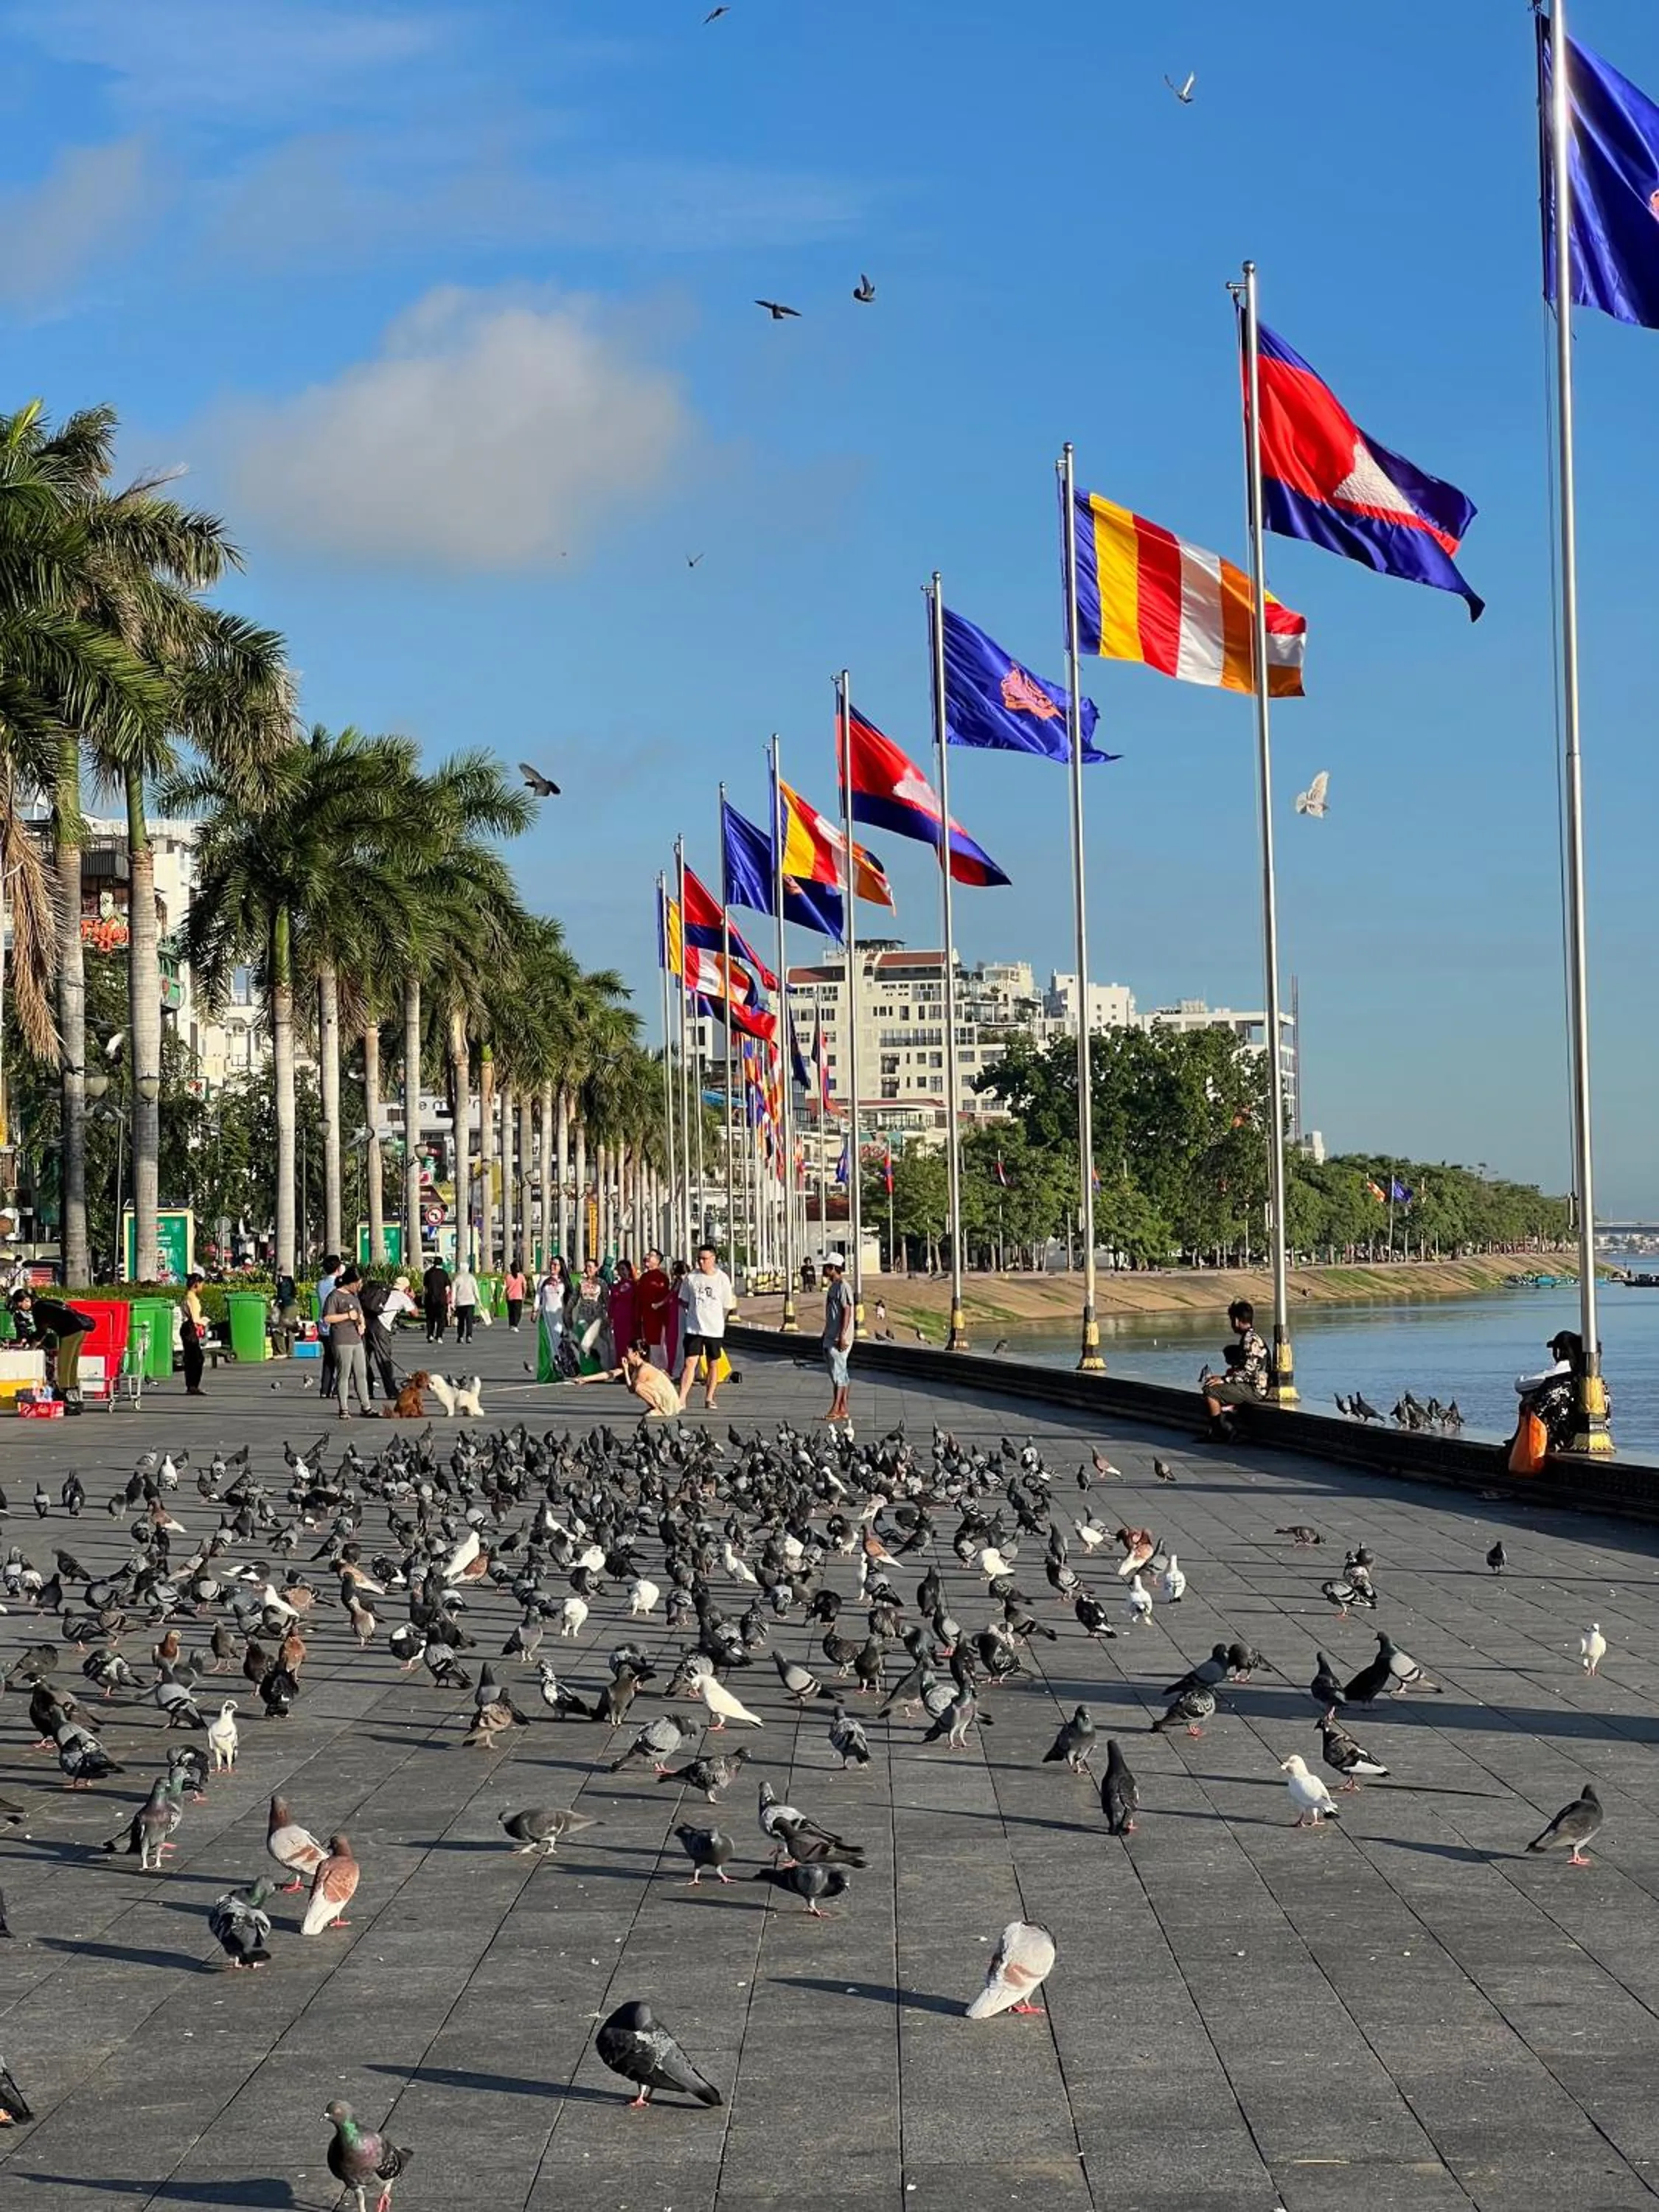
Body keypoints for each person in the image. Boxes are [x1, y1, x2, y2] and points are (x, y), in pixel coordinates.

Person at [10, 1291, 95, 1411]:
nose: (20, 1308)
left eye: (19, 1304)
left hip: (69, 1332)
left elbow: (41, 1332)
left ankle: (66, 1396)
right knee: (72, 1364)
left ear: (26, 1300)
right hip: (80, 1330)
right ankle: (74, 1395)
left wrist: (30, 1347)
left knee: (64, 1365)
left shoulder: (38, 1309)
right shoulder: (44, 1303)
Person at [678, 1242, 737, 1413]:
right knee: (690, 1363)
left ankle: (709, 1397)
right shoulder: (691, 1278)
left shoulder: (722, 1278)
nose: (701, 1262)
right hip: (694, 1328)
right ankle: (682, 1398)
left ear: (713, 1259)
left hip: (714, 1329)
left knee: (713, 1363)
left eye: (704, 1259)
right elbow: (684, 1300)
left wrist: (720, 1320)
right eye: (699, 1259)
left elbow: (727, 1303)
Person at [1200, 1298, 1271, 1437]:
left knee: (1210, 1390)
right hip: (1253, 1386)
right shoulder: (1251, 1337)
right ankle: (1223, 1426)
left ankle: (1219, 1432)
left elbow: (1248, 1372)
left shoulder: (1250, 1340)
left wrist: (1224, 1379)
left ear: (1237, 1320)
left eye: (1232, 1320)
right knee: (1214, 1386)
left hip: (1254, 1389)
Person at [1514, 1329, 1595, 1453]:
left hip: (1562, 1438)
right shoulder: (1594, 1382)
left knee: (1529, 1402)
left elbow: (1521, 1386)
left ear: (1557, 1352)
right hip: (1589, 1435)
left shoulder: (1555, 1381)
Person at [571, 1338, 683, 1420]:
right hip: (661, 1396)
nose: (625, 1354)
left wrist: (626, 1371)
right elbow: (610, 1374)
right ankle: (657, 1407)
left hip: (668, 1401)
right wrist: (585, 1379)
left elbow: (632, 1389)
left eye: (628, 1352)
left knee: (639, 1387)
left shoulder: (644, 1369)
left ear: (635, 1354)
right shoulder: (635, 1367)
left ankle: (661, 1409)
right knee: (639, 1387)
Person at [322, 1264, 373, 1419]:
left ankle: (366, 1406)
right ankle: (343, 1408)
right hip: (341, 1339)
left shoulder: (354, 1297)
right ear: (351, 1282)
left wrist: (362, 1324)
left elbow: (360, 1313)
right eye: (359, 1283)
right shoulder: (334, 1296)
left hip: (356, 1339)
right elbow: (327, 1318)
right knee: (344, 1374)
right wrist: (346, 1316)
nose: (360, 1287)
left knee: (361, 1373)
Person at [361, 1272, 417, 1401]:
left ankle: (368, 1390)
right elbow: (414, 1313)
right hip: (381, 1328)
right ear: (407, 1288)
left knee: (364, 1359)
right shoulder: (402, 1296)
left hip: (367, 1323)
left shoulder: (385, 1292)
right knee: (384, 1360)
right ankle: (391, 1391)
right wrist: (411, 1298)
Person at [821, 1253, 854, 1426]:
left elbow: (846, 1310)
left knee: (839, 1373)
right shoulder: (833, 1286)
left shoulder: (843, 1287)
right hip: (831, 1334)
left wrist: (842, 1335)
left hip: (839, 1337)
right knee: (839, 1372)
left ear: (833, 1268)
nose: (824, 1270)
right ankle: (843, 1407)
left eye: (826, 1266)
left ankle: (837, 1407)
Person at [568, 1259, 613, 1375]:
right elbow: (574, 1299)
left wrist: (609, 1316)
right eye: (587, 1266)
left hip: (597, 1317)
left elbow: (607, 1301)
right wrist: (568, 1311)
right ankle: (587, 1369)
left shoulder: (601, 1283)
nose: (589, 1269)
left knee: (597, 1344)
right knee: (584, 1343)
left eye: (591, 1267)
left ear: (597, 1268)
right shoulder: (580, 1283)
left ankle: (599, 1369)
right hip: (583, 1316)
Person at [536, 1256, 571, 1380]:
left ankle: (562, 1369)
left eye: (556, 1265)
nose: (553, 1267)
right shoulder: (544, 1280)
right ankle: (548, 1373)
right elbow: (538, 1295)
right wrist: (535, 1310)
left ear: (561, 1267)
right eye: (551, 1264)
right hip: (546, 1316)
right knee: (547, 1344)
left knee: (559, 1344)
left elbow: (568, 1300)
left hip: (559, 1317)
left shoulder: (563, 1282)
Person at [636, 1250, 672, 1368]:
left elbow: (665, 1298)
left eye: (651, 1256)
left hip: (658, 1318)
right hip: (645, 1317)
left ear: (658, 1261)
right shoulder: (644, 1277)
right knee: (649, 1343)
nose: (647, 1257)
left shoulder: (662, 1278)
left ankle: (661, 1369)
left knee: (658, 1345)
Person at [315, 1251, 342, 1399]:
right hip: (337, 1325)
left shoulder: (320, 1284)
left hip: (323, 1325)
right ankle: (338, 1389)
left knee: (329, 1359)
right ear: (338, 1268)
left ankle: (325, 1389)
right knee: (342, 1360)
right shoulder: (338, 1284)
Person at [181, 1272, 209, 1397]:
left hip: (187, 1328)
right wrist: (204, 1320)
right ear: (196, 1284)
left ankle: (192, 1385)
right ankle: (193, 1386)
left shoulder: (189, 1296)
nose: (203, 1287)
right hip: (190, 1328)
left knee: (192, 1357)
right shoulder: (192, 1299)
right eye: (202, 1284)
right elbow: (195, 1318)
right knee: (196, 1358)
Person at [608, 1259, 638, 1366]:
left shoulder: (634, 1285)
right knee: (619, 1343)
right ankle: (620, 1367)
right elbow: (611, 1302)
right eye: (620, 1270)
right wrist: (610, 1317)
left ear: (629, 1270)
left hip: (630, 1318)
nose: (622, 1272)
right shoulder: (615, 1286)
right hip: (618, 1319)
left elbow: (637, 1302)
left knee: (629, 1344)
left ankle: (631, 1366)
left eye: (624, 1269)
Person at [667, 1257, 689, 1371]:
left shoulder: (685, 1282)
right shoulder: (679, 1282)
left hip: (681, 1314)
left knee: (680, 1340)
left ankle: (679, 1368)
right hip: (676, 1313)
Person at [451, 1256, 480, 1345]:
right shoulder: (472, 1278)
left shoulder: (457, 1278)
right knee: (469, 1321)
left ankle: (460, 1337)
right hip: (470, 1302)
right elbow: (476, 1290)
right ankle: (469, 1336)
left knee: (461, 1321)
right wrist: (478, 1300)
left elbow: (453, 1292)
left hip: (460, 1303)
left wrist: (453, 1303)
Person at [422, 1257, 451, 1343]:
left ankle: (430, 1334)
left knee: (430, 1318)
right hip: (441, 1300)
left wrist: (424, 1298)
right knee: (441, 1319)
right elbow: (447, 1288)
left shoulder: (428, 1273)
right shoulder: (444, 1274)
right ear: (441, 1264)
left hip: (430, 1299)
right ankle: (439, 1336)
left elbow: (425, 1288)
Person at [504, 1257, 527, 1333]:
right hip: (518, 1297)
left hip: (510, 1297)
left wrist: (505, 1295)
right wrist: (524, 1294)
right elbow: (525, 1286)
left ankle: (511, 1325)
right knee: (518, 1312)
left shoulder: (508, 1276)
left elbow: (505, 1287)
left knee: (511, 1312)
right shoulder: (521, 1276)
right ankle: (515, 1325)